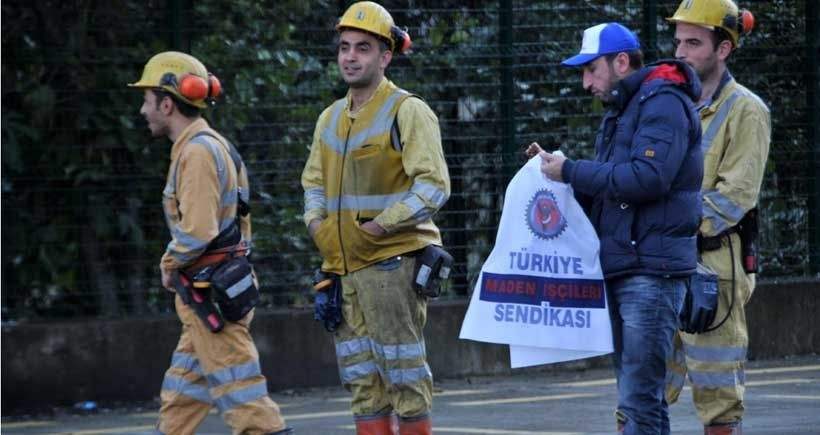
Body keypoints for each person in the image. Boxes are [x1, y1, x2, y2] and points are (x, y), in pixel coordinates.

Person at [527, 22, 704, 434]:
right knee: (641, 401)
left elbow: (648, 177)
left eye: (591, 69)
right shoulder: (623, 110)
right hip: (628, 267)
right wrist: (554, 174)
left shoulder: (662, 103)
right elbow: (610, 186)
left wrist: (571, 171)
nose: (586, 82)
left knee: (637, 400)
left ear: (621, 61)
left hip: (651, 273)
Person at [300, 2, 450, 434]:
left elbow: (433, 185)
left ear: (385, 56)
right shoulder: (330, 117)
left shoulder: (407, 111)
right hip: (343, 269)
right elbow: (312, 182)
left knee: (404, 376)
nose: (350, 56)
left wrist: (382, 225)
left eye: (363, 48)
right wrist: (317, 225)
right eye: (344, 47)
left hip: (392, 265)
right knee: (362, 381)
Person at [128, 51, 292, 435]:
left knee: (246, 402)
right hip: (209, 294)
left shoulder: (198, 152)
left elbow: (198, 230)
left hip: (209, 295)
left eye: (146, 100)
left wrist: (169, 264)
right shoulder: (205, 144)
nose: (142, 110)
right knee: (181, 396)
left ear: (166, 104)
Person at [665, 1, 771, 433]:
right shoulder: (671, 102)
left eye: (693, 42)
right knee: (640, 387)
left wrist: (668, 229)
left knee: (718, 398)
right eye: (678, 41)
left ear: (723, 48)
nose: (681, 53)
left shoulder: (747, 110)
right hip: (662, 263)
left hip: (712, 269)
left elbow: (735, 196)